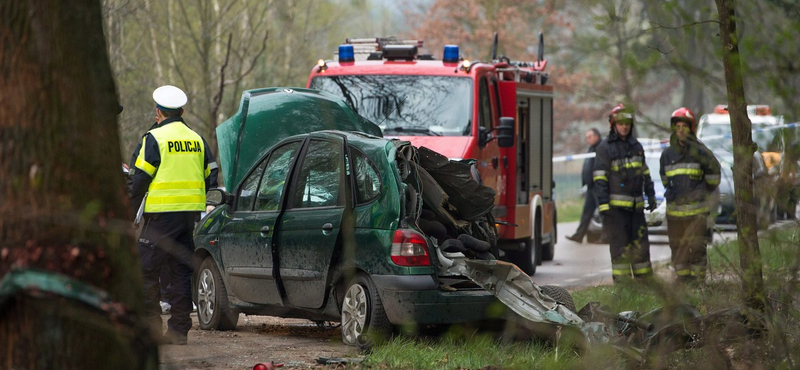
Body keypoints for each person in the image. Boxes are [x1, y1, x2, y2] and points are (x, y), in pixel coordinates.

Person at [129, 85, 218, 345]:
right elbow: (210, 176)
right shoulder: (197, 139)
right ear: (181, 111)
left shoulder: (153, 138)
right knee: (180, 272)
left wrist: (129, 209)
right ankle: (179, 331)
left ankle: (151, 330)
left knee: (145, 271)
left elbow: (139, 180)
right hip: (187, 218)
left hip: (160, 219)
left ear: (158, 111)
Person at [593, 104, 656, 281]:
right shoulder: (605, 149)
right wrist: (604, 206)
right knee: (620, 250)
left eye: (627, 123)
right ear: (613, 124)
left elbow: (645, 173)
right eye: (620, 123)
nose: (624, 126)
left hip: (636, 211)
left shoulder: (636, 146)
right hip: (616, 212)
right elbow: (600, 179)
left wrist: (650, 194)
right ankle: (623, 288)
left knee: (641, 249)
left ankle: (645, 286)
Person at [660, 107, 720, 283]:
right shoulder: (667, 155)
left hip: (697, 213)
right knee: (677, 248)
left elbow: (713, 178)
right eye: (677, 127)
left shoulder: (702, 153)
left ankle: (698, 284)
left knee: (697, 248)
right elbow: (665, 180)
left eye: (684, 127)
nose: (680, 130)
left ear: (691, 128)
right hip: (674, 214)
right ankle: (682, 283)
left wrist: (700, 193)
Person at [567, 128, 602, 243]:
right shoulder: (591, 148)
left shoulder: (601, 148)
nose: (588, 140)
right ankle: (579, 235)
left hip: (598, 185)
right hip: (591, 186)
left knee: (604, 212)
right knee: (586, 213)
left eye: (589, 137)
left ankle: (607, 236)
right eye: (587, 137)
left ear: (596, 136)